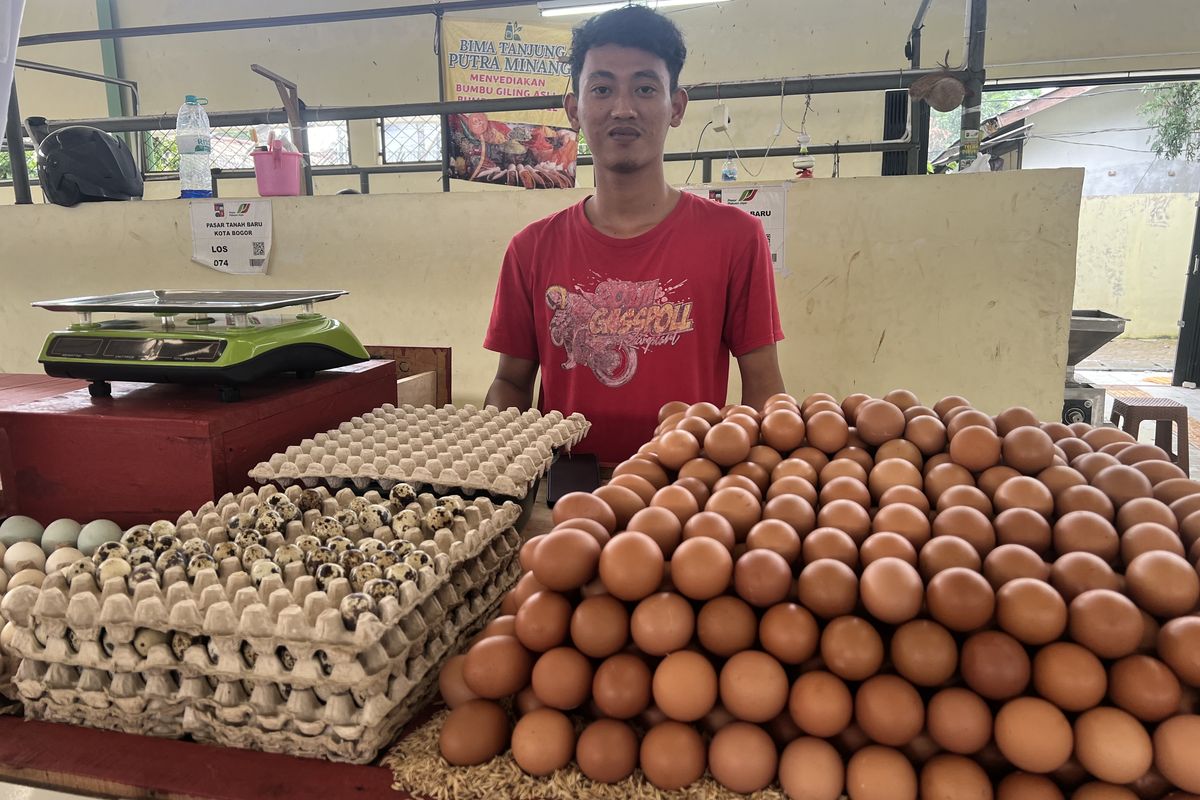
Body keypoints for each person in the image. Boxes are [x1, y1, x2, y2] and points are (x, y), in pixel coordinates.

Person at [483, 5, 785, 465]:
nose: (623, 108)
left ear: (676, 106)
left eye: (645, 88)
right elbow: (510, 382)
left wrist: (765, 479)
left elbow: (763, 384)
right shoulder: (531, 248)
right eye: (601, 89)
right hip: (565, 489)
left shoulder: (736, 237)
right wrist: (494, 461)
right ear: (574, 110)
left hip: (690, 490)